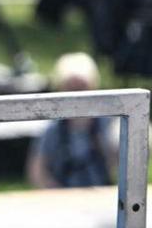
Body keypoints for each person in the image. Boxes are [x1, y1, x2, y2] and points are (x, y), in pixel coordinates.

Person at [27, 52, 121, 188]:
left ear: (94, 87)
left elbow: (128, 155)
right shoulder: (53, 129)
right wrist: (54, 193)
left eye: (82, 88)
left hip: (102, 193)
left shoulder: (108, 124)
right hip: (64, 196)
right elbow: (37, 170)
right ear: (60, 89)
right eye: (71, 88)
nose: (77, 95)